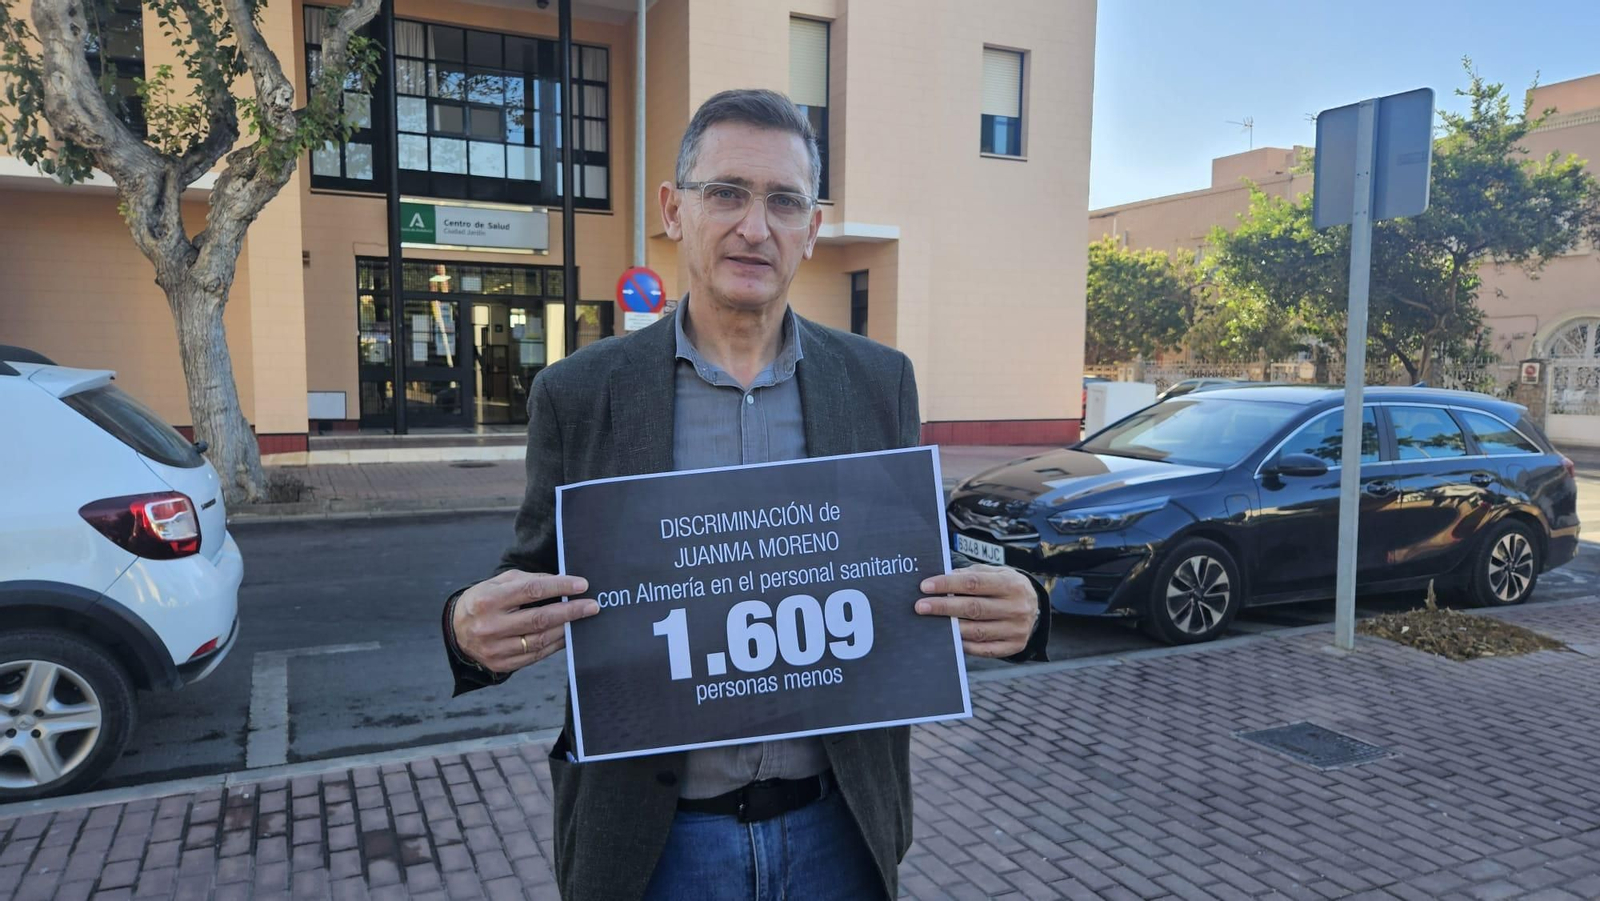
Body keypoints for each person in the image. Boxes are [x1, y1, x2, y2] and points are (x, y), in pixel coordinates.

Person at [441, 88, 1051, 901]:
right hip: (658, 846)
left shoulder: (879, 382)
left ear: (812, 228)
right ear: (674, 209)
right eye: (726, 192)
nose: (753, 226)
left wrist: (1027, 608)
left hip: (840, 831)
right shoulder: (579, 393)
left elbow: (915, 572)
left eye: (782, 201)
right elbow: (529, 581)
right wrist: (464, 630)